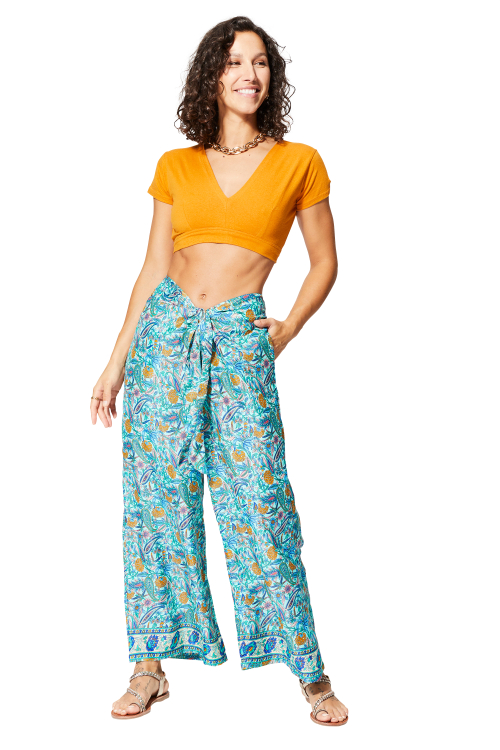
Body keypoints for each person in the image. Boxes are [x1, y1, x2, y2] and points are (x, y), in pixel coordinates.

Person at [91, 16, 348, 727]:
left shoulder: (299, 162)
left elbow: (325, 262)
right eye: (234, 62)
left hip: (238, 340)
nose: (248, 74)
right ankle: (149, 666)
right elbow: (153, 268)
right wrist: (115, 362)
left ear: (272, 77)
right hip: (165, 338)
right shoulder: (176, 166)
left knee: (261, 504)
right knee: (157, 503)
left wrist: (287, 327)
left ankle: (310, 669)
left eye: (260, 62)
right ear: (212, 75)